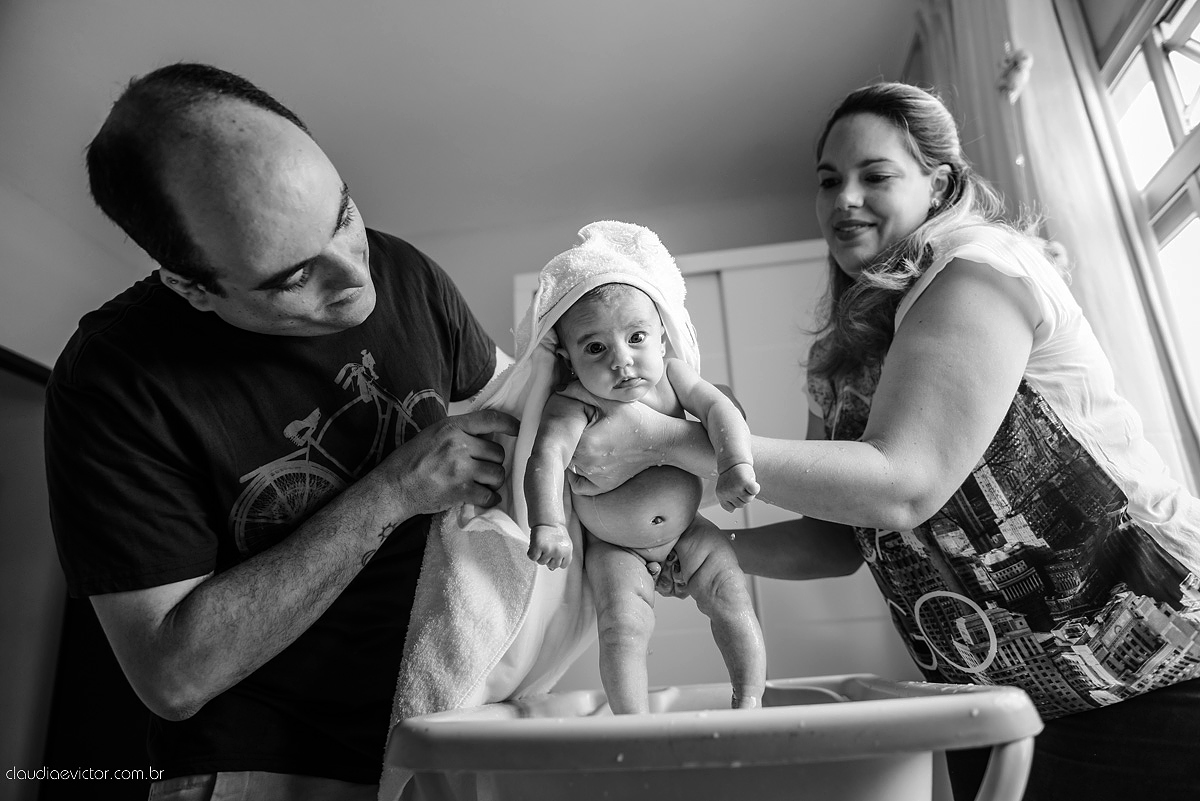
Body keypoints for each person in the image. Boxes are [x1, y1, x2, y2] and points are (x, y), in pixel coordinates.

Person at [564, 82, 1200, 800]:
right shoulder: (840, 352)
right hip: (987, 699)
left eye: (876, 175)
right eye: (829, 181)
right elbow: (841, 536)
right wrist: (717, 551)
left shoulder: (977, 269)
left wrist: (664, 441)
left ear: (941, 183)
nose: (844, 200)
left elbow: (902, 483)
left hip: (1159, 669)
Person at [44, 62, 518, 800]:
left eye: (343, 214)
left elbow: (522, 405)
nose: (355, 276)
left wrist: (677, 414)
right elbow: (173, 675)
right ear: (193, 287)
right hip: (255, 768)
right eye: (294, 276)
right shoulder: (112, 383)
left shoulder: (404, 270)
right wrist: (395, 490)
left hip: (442, 731)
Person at [524, 244, 765, 712]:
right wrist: (548, 523)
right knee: (623, 627)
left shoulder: (674, 378)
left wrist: (736, 464)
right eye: (596, 348)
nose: (622, 360)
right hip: (617, 548)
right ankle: (633, 725)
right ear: (569, 361)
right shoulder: (575, 402)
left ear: (662, 337)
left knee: (732, 596)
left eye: (636, 338)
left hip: (689, 531)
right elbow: (547, 458)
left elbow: (720, 410)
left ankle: (750, 698)